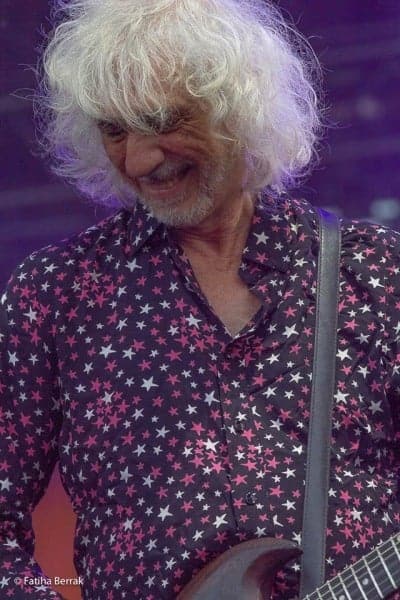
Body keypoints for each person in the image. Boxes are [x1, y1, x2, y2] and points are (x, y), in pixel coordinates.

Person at [1, 0, 399, 598]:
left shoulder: (376, 272)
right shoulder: (56, 293)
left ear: (239, 107)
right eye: (113, 130)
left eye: (162, 119)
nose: (138, 160)